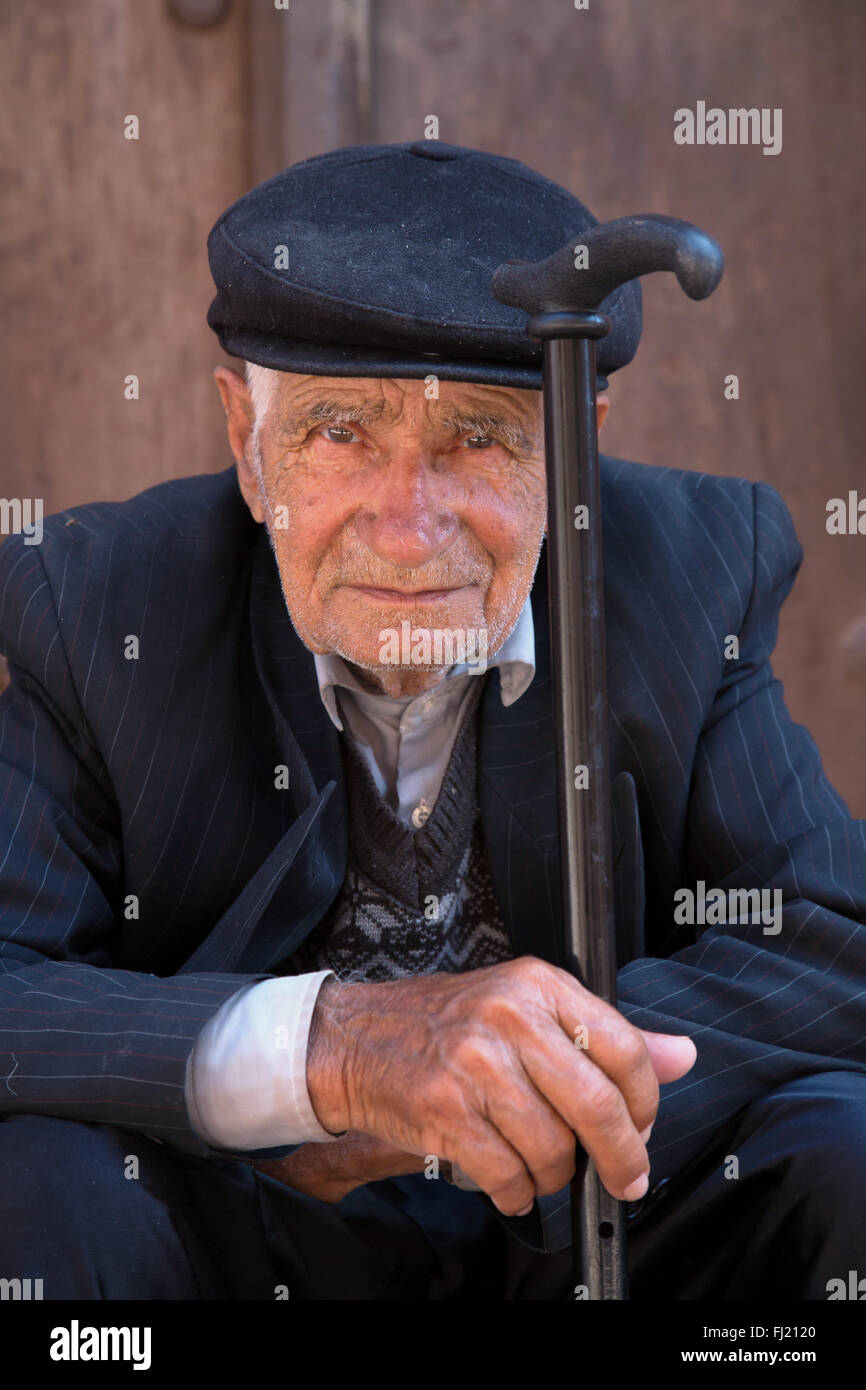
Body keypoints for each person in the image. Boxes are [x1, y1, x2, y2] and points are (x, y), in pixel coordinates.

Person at [0, 140, 864, 1301]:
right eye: (339, 433)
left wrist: (509, 1084)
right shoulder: (102, 605)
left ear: (576, 443)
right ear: (245, 447)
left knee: (838, 1150)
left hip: (582, 1239)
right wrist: (336, 1058)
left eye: (481, 438)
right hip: (249, 1238)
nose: (409, 528)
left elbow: (832, 941)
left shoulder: (689, 573)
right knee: (43, 1182)